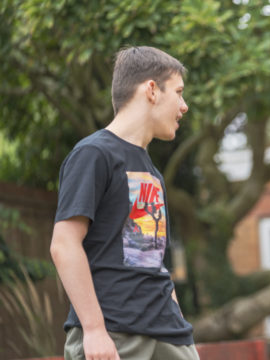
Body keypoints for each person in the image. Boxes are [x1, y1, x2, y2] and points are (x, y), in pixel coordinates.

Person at [50, 46, 198, 360]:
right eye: (179, 92)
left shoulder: (152, 172)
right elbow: (63, 245)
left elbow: (154, 259)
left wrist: (177, 318)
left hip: (169, 334)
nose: (184, 106)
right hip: (115, 336)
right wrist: (93, 330)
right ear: (152, 90)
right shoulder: (93, 154)